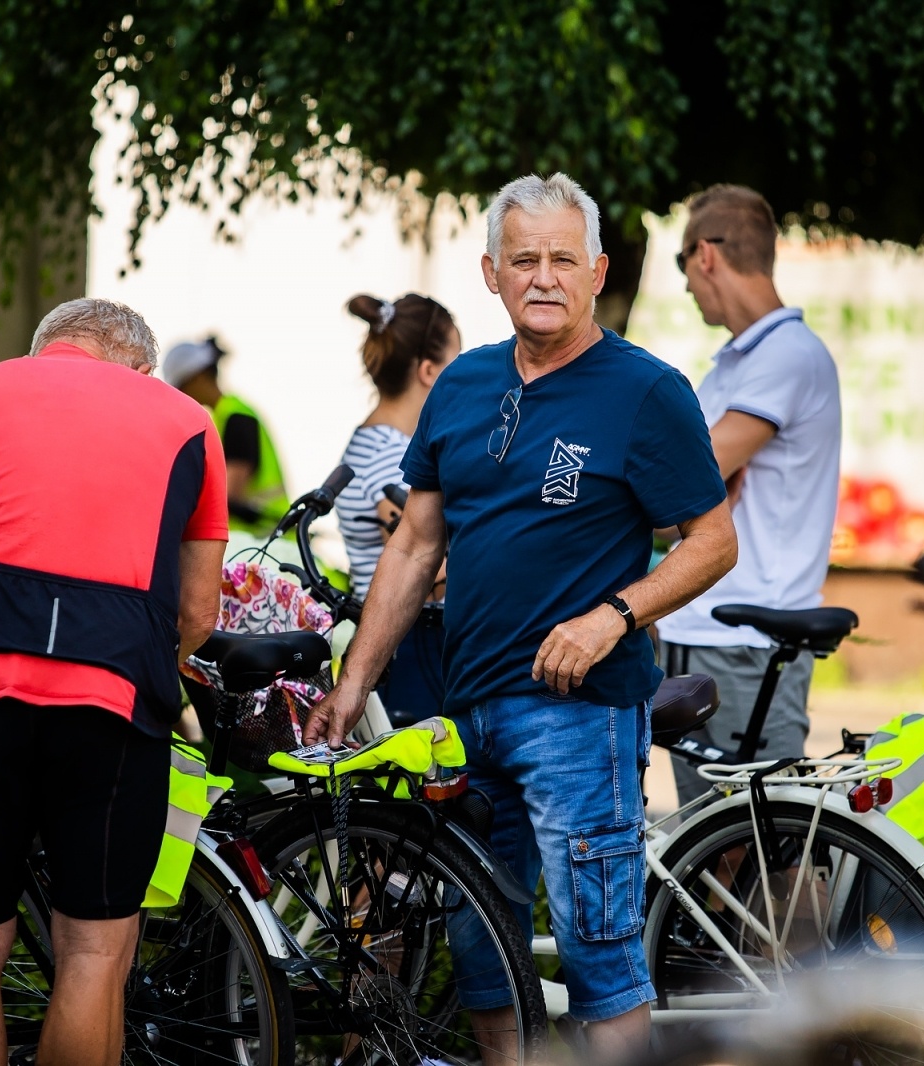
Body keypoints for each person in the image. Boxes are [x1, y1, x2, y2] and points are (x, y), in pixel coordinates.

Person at [304, 172, 737, 1060]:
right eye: (524, 258)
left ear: (597, 271)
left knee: (600, 955)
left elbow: (712, 540)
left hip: (579, 717)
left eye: (563, 259)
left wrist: (613, 616)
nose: (544, 276)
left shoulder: (645, 390)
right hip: (466, 713)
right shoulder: (459, 387)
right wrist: (355, 683)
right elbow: (418, 545)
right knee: (480, 952)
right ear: (492, 273)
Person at [0, 298, 226, 1066]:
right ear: (138, 364)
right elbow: (199, 610)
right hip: (112, 695)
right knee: (93, 951)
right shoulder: (183, 420)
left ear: (43, 352)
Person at [653, 184, 842, 809]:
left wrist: (691, 487)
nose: (685, 286)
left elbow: (691, 478)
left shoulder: (786, 354)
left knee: (758, 860)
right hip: (704, 629)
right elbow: (678, 503)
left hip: (744, 641)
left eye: (683, 266)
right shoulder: (733, 366)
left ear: (706, 255)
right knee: (710, 855)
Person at [336, 292, 458, 722]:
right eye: (454, 364)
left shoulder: (367, 438)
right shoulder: (395, 457)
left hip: (386, 643)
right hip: (408, 646)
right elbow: (426, 568)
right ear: (428, 371)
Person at [162, 333, 289, 535]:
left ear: (198, 376)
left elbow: (230, 494)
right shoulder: (223, 417)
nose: (182, 395)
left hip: (265, 541)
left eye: (182, 386)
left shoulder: (236, 417)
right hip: (260, 539)